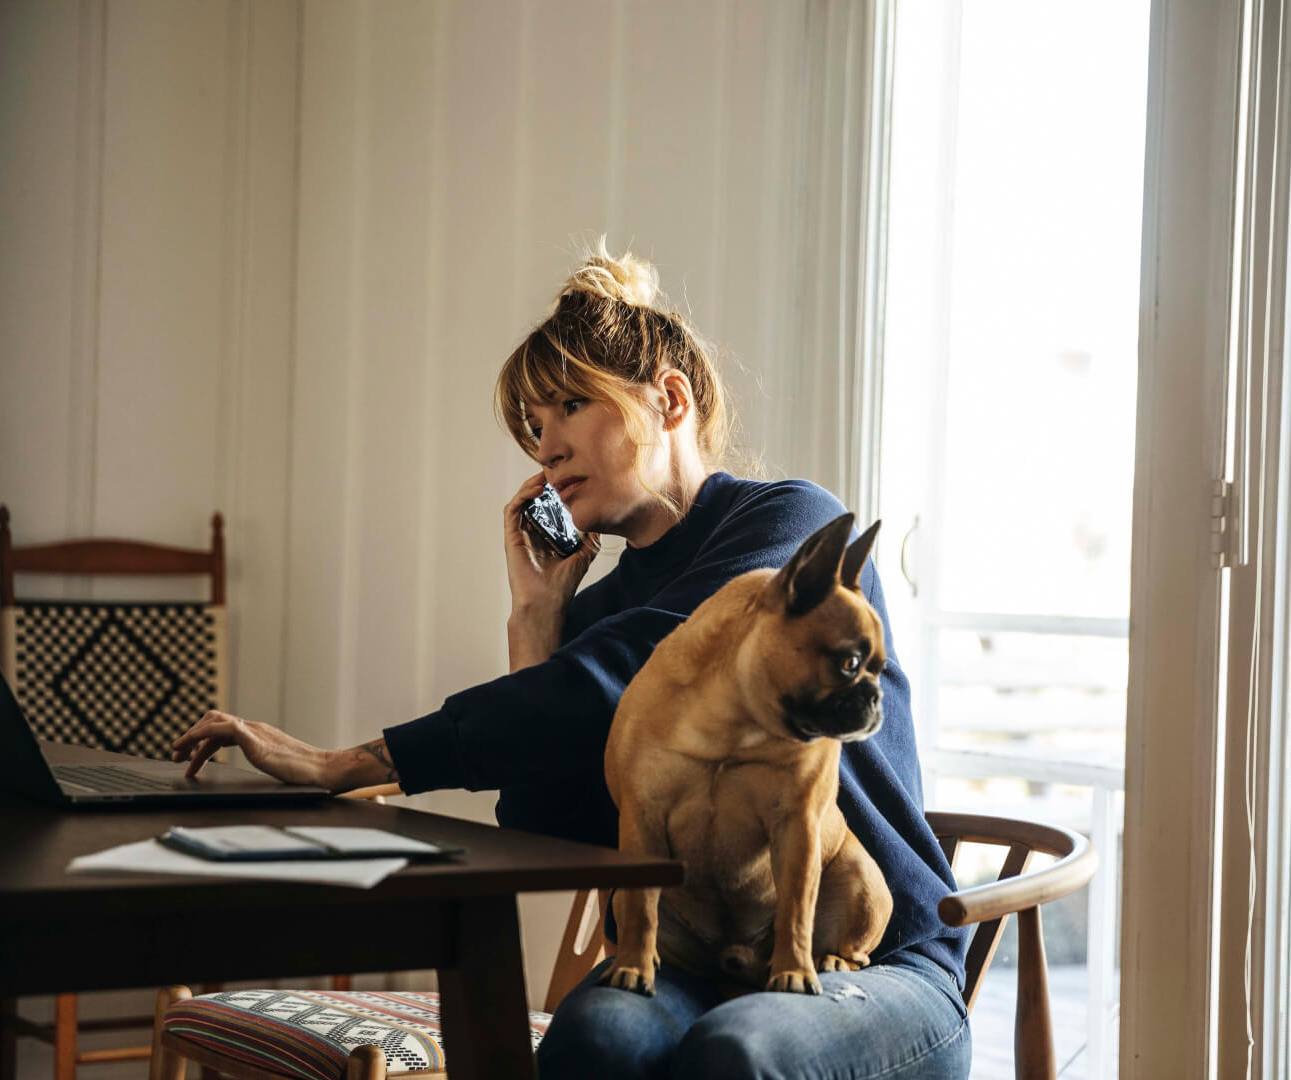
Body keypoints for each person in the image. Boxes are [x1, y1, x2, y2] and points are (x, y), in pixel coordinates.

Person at [171, 238, 972, 1079]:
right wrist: (536, 618)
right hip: (695, 959)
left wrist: (352, 761)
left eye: (568, 409)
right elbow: (552, 822)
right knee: (594, 1041)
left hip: (878, 963)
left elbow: (623, 669)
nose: (544, 449)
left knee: (737, 1055)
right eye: (535, 427)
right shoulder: (596, 616)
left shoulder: (790, 532)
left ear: (669, 399)